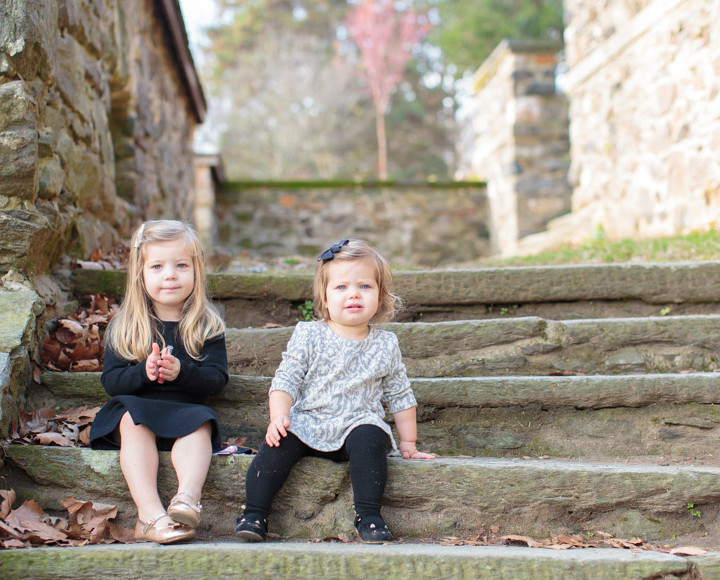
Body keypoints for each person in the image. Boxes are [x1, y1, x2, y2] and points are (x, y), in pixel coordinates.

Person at [235, 238, 434, 544]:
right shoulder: (308, 335)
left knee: (370, 438)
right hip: (307, 422)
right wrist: (279, 417)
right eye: (341, 287)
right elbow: (286, 380)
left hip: (357, 422)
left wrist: (408, 442)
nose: (353, 293)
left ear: (380, 297)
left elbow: (399, 394)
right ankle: (254, 513)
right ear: (325, 298)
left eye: (364, 287)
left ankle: (368, 516)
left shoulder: (385, 344)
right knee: (276, 444)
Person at [89, 220, 228, 544]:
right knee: (131, 421)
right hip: (138, 408)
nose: (170, 274)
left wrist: (182, 372)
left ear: (196, 271)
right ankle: (150, 514)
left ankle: (186, 500)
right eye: (158, 266)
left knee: (201, 425)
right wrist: (143, 372)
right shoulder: (127, 325)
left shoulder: (207, 326)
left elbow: (218, 379)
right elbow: (111, 382)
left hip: (186, 410)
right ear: (141, 273)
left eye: (181, 265)